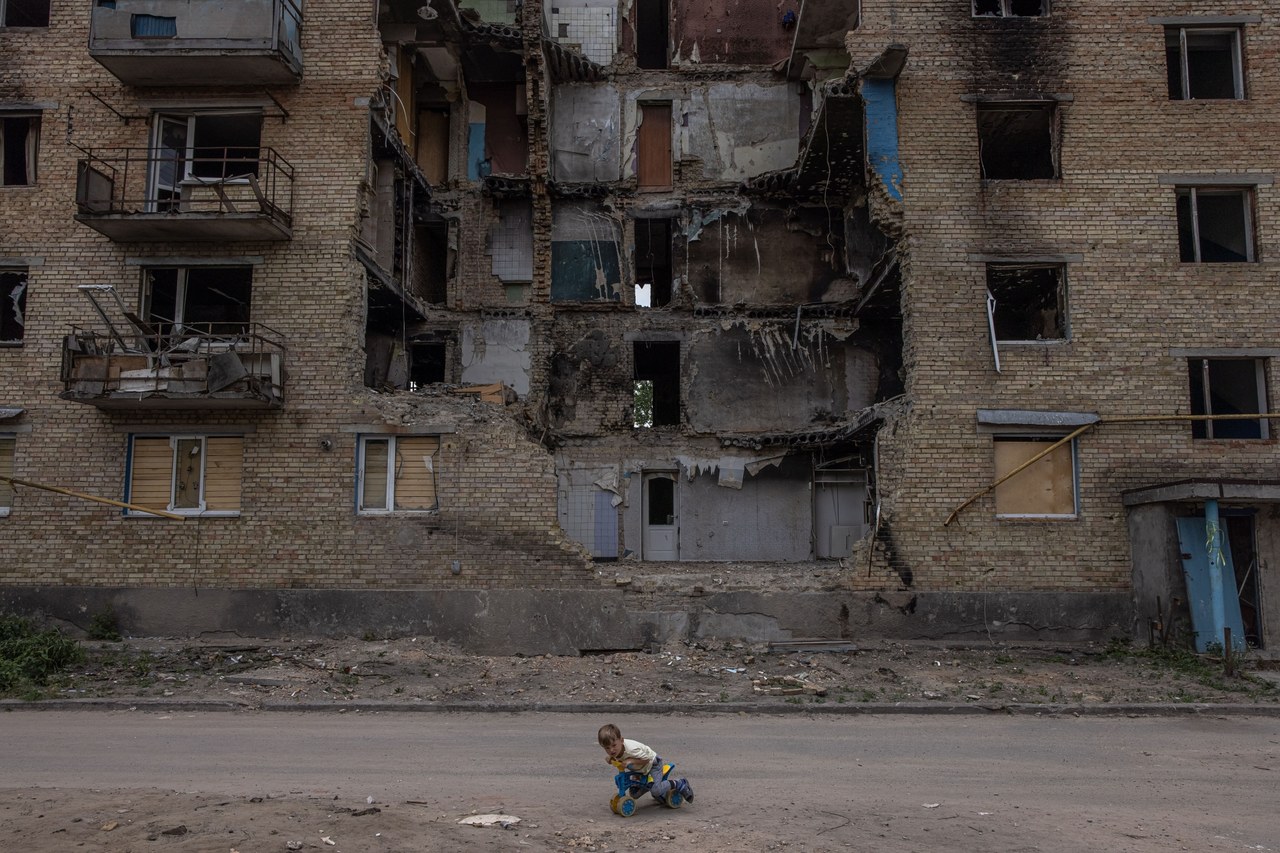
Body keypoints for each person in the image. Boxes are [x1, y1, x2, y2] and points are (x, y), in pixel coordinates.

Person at [597, 723, 694, 805]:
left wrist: (630, 761)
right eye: (607, 748)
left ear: (621, 740)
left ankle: (680, 783)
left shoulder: (632, 750)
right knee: (634, 794)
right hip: (640, 768)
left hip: (653, 764)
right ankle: (652, 787)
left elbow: (647, 759)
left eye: (614, 745)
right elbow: (616, 756)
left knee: (656, 790)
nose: (611, 750)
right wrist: (611, 758)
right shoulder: (615, 750)